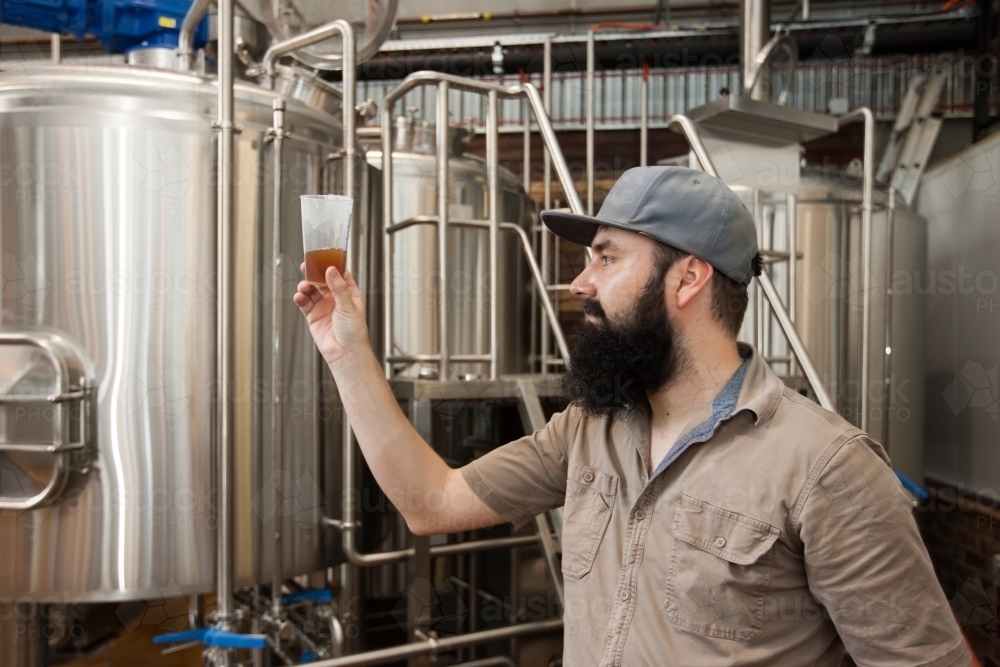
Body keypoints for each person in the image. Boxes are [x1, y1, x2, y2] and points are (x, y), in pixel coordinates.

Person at [293, 166, 971, 666]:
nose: (580, 283)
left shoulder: (824, 466)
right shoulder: (590, 430)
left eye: (607, 257)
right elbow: (430, 501)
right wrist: (347, 351)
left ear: (687, 279)